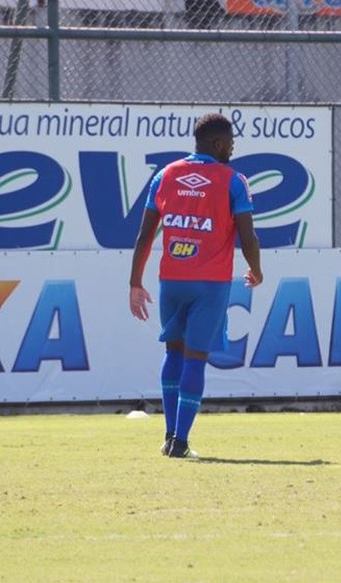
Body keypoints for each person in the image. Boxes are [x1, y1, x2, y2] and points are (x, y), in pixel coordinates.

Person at [129, 113, 263, 459]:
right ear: (218, 144)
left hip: (171, 279)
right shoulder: (233, 180)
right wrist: (256, 268)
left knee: (173, 352)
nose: (232, 149)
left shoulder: (166, 175)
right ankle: (182, 442)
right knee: (195, 358)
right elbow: (248, 235)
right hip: (210, 283)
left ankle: (169, 435)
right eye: (230, 143)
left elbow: (145, 235)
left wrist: (135, 282)